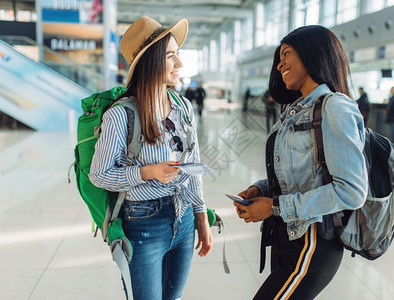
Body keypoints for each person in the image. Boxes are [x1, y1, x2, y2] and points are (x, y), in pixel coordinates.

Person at [233, 25, 368, 299]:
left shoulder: (335, 107)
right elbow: (301, 174)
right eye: (278, 58)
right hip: (285, 237)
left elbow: (352, 192)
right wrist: (262, 189)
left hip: (313, 240)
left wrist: (273, 206)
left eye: (286, 53)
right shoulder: (292, 112)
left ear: (312, 53)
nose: (280, 63)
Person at [89, 16, 212, 300]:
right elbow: (99, 174)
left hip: (183, 221)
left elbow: (192, 163)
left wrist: (201, 217)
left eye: (178, 54)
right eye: (171, 56)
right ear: (150, 61)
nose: (179, 63)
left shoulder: (183, 106)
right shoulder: (122, 114)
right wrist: (147, 172)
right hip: (143, 222)